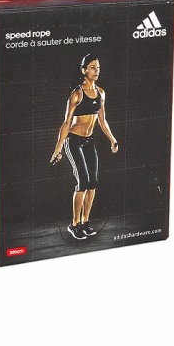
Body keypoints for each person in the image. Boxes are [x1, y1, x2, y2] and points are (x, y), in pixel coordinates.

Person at [49, 54, 119, 240]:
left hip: (89, 142)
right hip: (73, 141)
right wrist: (58, 149)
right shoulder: (77, 94)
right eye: (92, 67)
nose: (96, 70)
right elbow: (66, 123)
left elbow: (102, 121)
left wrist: (112, 139)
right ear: (84, 70)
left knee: (92, 183)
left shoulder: (101, 93)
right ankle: (74, 224)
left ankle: (85, 222)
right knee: (82, 181)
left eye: (98, 67)